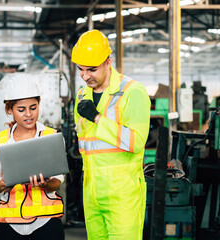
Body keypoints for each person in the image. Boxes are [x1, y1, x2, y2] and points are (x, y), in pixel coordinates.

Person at [71, 29, 151, 240]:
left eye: (92, 69)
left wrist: (97, 118)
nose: (85, 76)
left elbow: (136, 142)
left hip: (122, 195)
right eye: (80, 69)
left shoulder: (133, 91)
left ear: (108, 62)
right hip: (91, 194)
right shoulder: (82, 94)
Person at [0, 77, 65, 240]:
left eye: (33, 108)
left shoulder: (52, 136)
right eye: (21, 109)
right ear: (10, 110)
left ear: (39, 104)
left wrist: (46, 184)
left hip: (47, 221)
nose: (28, 114)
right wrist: (0, 185)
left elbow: (58, 180)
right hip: (10, 223)